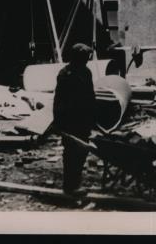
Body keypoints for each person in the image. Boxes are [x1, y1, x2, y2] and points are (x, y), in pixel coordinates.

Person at [52, 43, 96, 197]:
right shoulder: (65, 74)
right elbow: (59, 100)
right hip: (70, 121)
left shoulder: (86, 72)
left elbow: (91, 97)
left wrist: (93, 117)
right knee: (71, 153)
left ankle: (75, 184)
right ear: (77, 57)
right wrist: (58, 122)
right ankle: (69, 187)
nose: (87, 60)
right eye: (85, 57)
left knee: (82, 152)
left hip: (83, 121)